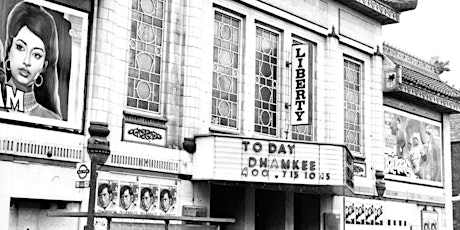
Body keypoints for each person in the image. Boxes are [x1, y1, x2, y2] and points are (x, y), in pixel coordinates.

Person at [1, 1, 61, 119]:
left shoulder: (52, 120)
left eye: (36, 55)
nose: (26, 61)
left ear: (44, 65)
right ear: (8, 50)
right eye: (20, 47)